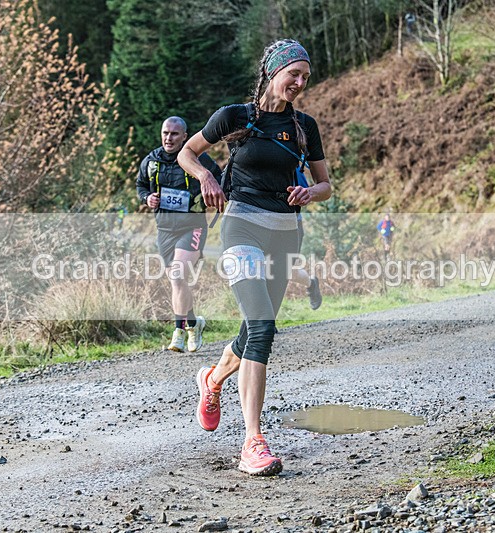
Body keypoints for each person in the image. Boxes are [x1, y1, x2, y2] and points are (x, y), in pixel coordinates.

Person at [177, 39, 332, 476]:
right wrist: (206, 176)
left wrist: (310, 192)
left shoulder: (304, 127)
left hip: (286, 236)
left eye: (305, 77)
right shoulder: (235, 116)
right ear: (273, 72)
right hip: (241, 228)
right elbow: (187, 151)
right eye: (293, 74)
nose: (299, 83)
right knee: (263, 328)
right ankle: (253, 442)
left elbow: (327, 184)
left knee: (252, 330)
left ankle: (212, 379)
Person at [136, 116, 221, 352]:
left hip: (192, 226)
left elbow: (220, 180)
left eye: (174, 134)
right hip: (164, 230)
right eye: (165, 133)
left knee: (177, 276)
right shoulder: (152, 162)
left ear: (185, 136)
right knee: (178, 282)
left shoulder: (199, 159)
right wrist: (147, 198)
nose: (168, 138)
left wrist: (213, 193)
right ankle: (194, 323)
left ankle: (178, 332)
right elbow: (141, 185)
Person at [290, 165, 322, 310]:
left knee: (289, 272)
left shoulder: (291, 159)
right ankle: (265, 320)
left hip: (292, 224)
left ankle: (311, 283)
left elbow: (307, 190)